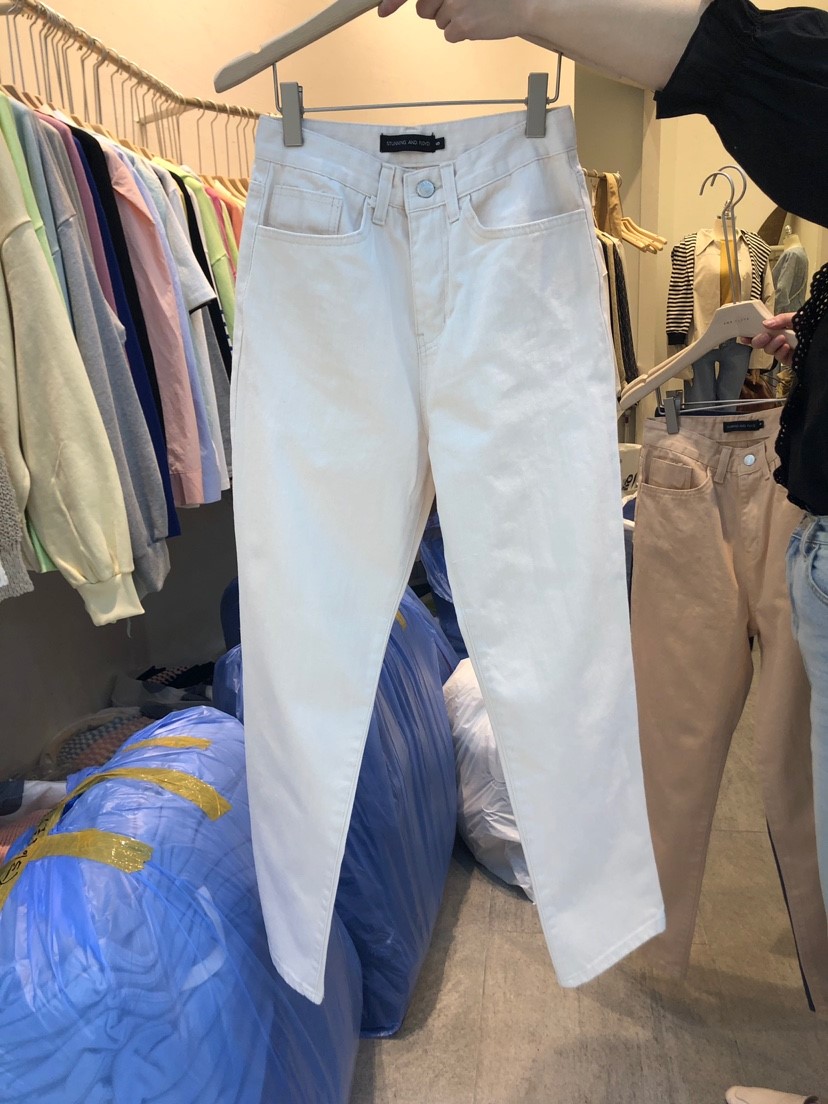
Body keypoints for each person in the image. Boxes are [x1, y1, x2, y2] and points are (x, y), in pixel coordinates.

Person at [377, 2, 828, 1101]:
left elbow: (747, 63)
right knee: (676, 724)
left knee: (778, 759)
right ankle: (629, 924)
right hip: (730, 477)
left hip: (775, 484)